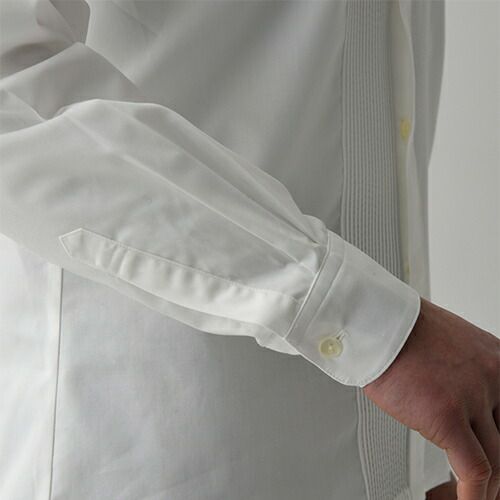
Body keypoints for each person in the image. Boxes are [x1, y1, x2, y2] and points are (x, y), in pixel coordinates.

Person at [0, 1, 498, 499]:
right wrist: (371, 325)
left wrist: (417, 464)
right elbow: (10, 92)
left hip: (385, 447)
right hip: (149, 453)